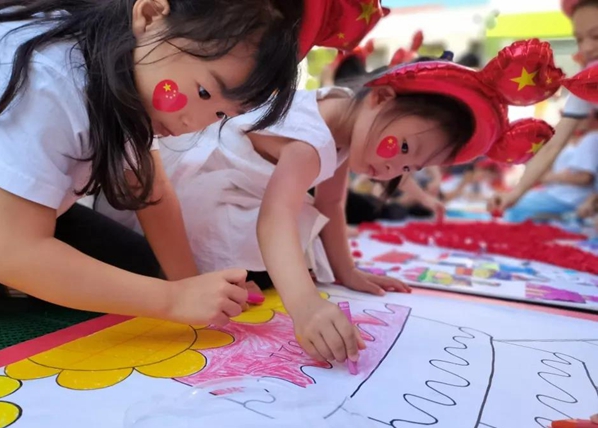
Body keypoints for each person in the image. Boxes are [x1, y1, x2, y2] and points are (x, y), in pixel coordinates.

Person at [99, 39, 562, 363]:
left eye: (408, 169)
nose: (393, 171)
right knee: (278, 249)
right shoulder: (311, 138)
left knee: (299, 238)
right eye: (401, 150)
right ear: (380, 98)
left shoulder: (345, 118)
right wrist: (306, 307)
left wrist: (347, 272)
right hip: (190, 191)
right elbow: (273, 218)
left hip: (239, 196)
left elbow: (334, 204)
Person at [0, 0, 381, 322]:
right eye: (202, 92)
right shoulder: (50, 79)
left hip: (16, 211)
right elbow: (16, 255)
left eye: (220, 115)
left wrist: (187, 282)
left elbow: (153, 192)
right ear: (152, 13)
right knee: (95, 288)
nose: (193, 123)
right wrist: (174, 300)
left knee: (137, 274)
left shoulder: (133, 77)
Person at [488, 0, 598, 213]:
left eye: (596, 36)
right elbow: (553, 145)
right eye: (579, 39)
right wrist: (516, 193)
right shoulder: (585, 83)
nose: (586, 48)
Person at [504, 117, 598, 222]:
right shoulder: (575, 139)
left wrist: (550, 177)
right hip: (558, 193)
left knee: (516, 206)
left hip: (569, 197)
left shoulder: (592, 138)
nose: (567, 119)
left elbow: (585, 177)